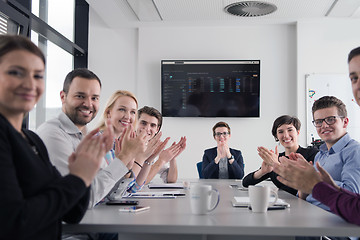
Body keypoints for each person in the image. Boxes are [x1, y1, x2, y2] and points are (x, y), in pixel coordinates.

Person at [0, 35, 108, 239]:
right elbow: (14, 223)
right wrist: (79, 178)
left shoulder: (31, 140)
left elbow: (73, 211)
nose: (29, 84)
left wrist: (83, 168)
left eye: (37, 76)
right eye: (16, 72)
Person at [273, 46, 360, 226]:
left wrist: (314, 180)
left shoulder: (354, 151)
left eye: (330, 119)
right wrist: (302, 182)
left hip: (332, 227)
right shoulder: (320, 154)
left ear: (345, 122)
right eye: (318, 121)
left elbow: (352, 195)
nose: (324, 126)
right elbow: (305, 195)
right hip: (308, 217)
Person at [37, 69, 142, 208]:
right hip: (68, 228)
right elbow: (80, 199)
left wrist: (125, 168)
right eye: (80, 96)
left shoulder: (86, 136)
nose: (88, 104)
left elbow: (109, 194)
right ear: (63, 97)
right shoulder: (53, 134)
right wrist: (124, 158)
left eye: (94, 98)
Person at [95, 93, 168, 199]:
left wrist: (148, 159)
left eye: (132, 112)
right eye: (122, 109)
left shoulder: (121, 142)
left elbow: (132, 188)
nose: (128, 116)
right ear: (109, 113)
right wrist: (142, 158)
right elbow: (112, 194)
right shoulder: (101, 142)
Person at [242, 115, 318, 195]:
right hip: (282, 204)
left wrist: (277, 165)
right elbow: (246, 183)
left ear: (298, 132)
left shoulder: (312, 153)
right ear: (277, 136)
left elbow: (298, 188)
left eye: (290, 130)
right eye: (280, 132)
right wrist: (262, 171)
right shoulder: (276, 158)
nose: (286, 135)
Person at [131, 106, 187, 184]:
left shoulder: (152, 147)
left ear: (157, 129)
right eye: (143, 123)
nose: (147, 128)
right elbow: (136, 182)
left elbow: (170, 180)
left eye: (152, 125)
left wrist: (172, 158)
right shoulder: (126, 146)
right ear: (135, 123)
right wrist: (161, 161)